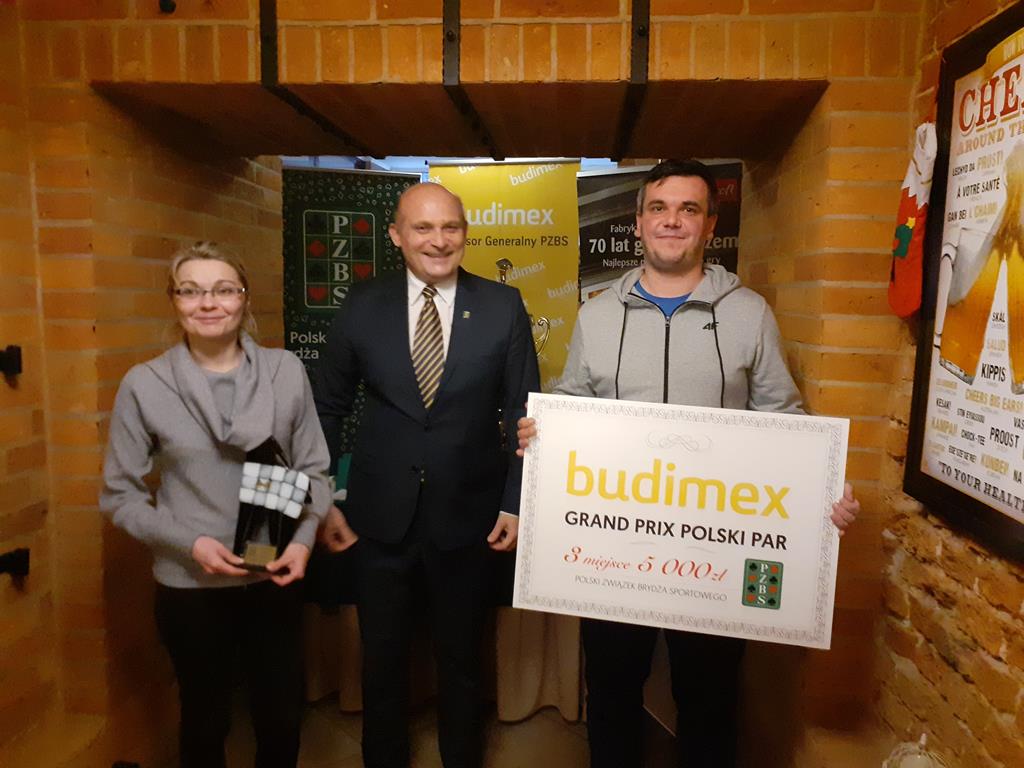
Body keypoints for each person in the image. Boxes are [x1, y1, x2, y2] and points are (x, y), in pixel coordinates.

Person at [517, 159, 860, 768]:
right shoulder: (597, 314)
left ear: (709, 225)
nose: (671, 221)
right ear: (638, 222)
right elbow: (573, 401)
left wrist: (824, 486)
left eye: (688, 209)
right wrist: (543, 433)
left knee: (709, 700)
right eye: (659, 208)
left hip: (713, 553)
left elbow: (784, 417)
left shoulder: (749, 312)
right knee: (612, 692)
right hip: (615, 551)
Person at [314, 182, 540, 768]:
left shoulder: (503, 305)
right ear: (396, 235)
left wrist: (515, 503)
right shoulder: (362, 304)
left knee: (462, 660)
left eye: (450, 227)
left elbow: (526, 414)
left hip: (469, 516)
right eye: (422, 228)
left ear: (465, 233)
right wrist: (322, 500)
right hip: (377, 518)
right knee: (382, 659)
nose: (438, 241)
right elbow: (326, 408)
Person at [101, 242, 331, 768]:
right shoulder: (146, 384)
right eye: (191, 291)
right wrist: (190, 544)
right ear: (174, 300)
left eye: (224, 290)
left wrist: (302, 542)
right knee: (205, 722)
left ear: (244, 298)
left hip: (274, 574)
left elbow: (313, 470)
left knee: (280, 719)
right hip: (191, 585)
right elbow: (120, 494)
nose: (208, 303)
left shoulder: (283, 371)